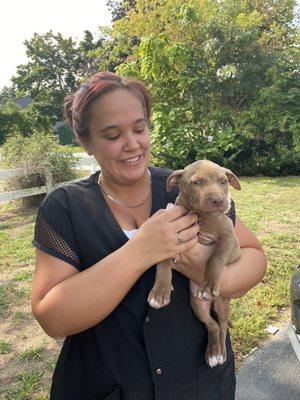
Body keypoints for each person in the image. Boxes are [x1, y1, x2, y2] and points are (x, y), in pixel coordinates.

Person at [31, 71, 267, 400]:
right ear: (85, 142)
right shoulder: (65, 208)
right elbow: (52, 317)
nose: (132, 144)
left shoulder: (185, 188)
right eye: (112, 135)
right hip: (110, 387)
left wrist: (205, 272)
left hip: (200, 385)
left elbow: (255, 258)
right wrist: (140, 251)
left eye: (140, 128)